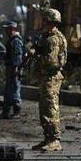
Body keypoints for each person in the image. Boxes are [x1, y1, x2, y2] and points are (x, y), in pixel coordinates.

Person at [32, 8, 67, 152]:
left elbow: (52, 62)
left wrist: (38, 58)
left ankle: (55, 140)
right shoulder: (48, 36)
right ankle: (48, 137)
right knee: (44, 108)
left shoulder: (53, 39)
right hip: (46, 77)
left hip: (51, 77)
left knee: (51, 108)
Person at [1, 21, 23, 119]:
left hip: (14, 68)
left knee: (14, 88)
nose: (6, 31)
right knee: (9, 89)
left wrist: (15, 68)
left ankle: (16, 110)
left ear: (13, 29)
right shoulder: (11, 40)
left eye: (8, 29)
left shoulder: (16, 40)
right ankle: (6, 110)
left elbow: (17, 55)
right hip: (10, 67)